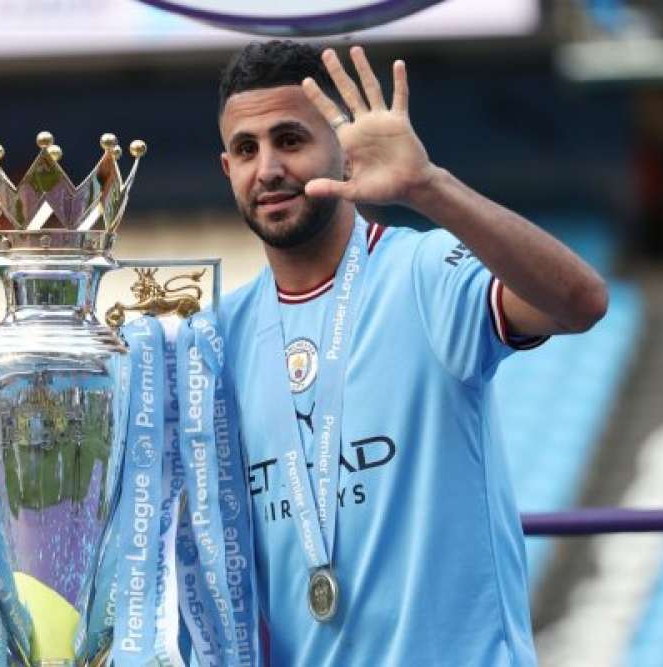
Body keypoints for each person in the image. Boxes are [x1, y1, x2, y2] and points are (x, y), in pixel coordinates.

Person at [215, 40, 607, 666]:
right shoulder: (219, 338)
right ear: (227, 168)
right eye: (246, 149)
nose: (267, 169)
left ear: (343, 149)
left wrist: (428, 187)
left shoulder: (426, 273)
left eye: (290, 140)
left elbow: (579, 303)